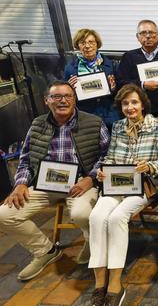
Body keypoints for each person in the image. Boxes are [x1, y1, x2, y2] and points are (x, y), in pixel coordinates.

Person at [0, 80, 109, 280]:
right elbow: (25, 160)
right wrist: (21, 183)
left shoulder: (94, 122)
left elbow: (107, 156)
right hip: (45, 183)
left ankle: (92, 242)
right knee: (4, 215)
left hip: (79, 183)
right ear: (46, 101)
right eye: (56, 97)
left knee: (82, 214)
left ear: (74, 99)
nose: (63, 101)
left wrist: (91, 179)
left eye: (68, 96)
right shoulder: (37, 124)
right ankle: (45, 251)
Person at [87, 84, 158, 306]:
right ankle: (99, 285)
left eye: (134, 102)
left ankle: (115, 287)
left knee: (116, 218)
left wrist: (150, 167)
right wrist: (103, 170)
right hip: (115, 184)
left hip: (142, 187)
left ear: (143, 104)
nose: (130, 108)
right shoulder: (119, 126)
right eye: (125, 104)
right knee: (96, 216)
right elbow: (111, 157)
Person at [116, 19, 158, 126]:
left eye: (152, 33)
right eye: (143, 33)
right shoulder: (129, 57)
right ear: (138, 37)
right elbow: (121, 82)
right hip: (136, 114)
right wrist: (143, 84)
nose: (148, 36)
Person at [64, 29, 120, 129]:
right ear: (78, 46)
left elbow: (121, 90)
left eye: (91, 42)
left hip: (110, 115)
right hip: (85, 116)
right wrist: (69, 89)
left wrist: (114, 87)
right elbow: (66, 96)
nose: (87, 46)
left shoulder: (111, 64)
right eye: (82, 43)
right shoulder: (70, 68)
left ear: (97, 44)